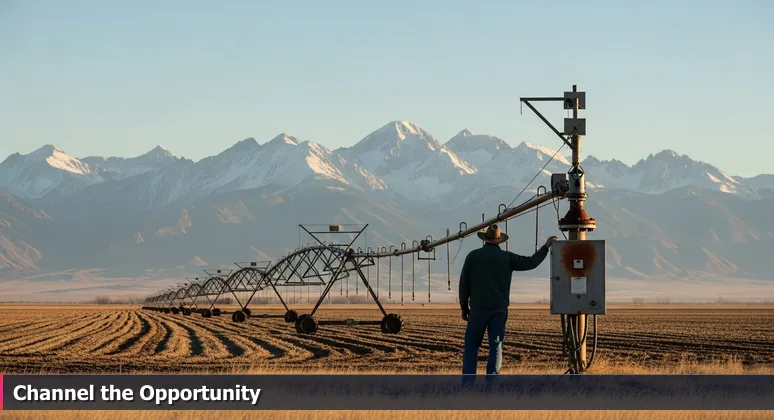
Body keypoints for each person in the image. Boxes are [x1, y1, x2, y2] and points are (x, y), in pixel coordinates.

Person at [459, 223, 557, 380]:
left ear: (484, 240)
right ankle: (492, 384)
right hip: (499, 309)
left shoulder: (473, 256)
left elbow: (464, 283)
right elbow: (531, 262)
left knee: (471, 346)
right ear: (499, 241)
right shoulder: (507, 258)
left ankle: (468, 384)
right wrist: (546, 247)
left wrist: (464, 307)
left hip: (477, 309)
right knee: (496, 346)